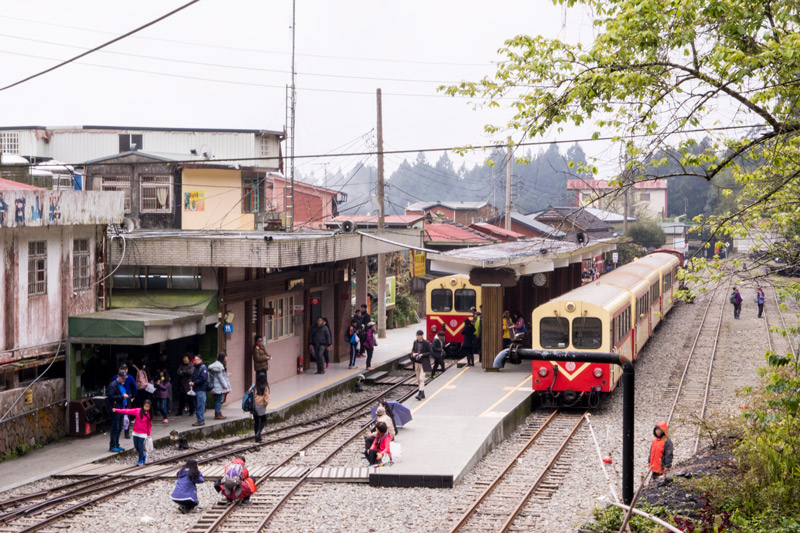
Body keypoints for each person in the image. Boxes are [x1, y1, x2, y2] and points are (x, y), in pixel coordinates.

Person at [112, 400, 153, 466]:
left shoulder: (149, 415)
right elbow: (127, 411)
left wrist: (148, 434)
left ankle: (140, 460)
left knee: (140, 446)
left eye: (148, 407)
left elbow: (149, 425)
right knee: (136, 446)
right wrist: (117, 410)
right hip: (136, 432)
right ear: (143, 405)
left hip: (143, 433)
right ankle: (143, 454)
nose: (146, 408)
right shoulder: (138, 411)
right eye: (145, 406)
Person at [106, 372, 128, 452]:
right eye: (123, 378)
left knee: (119, 427)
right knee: (115, 427)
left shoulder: (121, 384)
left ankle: (117, 444)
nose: (124, 380)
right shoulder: (113, 385)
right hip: (115, 409)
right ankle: (112, 445)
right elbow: (110, 396)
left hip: (121, 408)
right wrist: (122, 396)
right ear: (119, 377)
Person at [208, 353, 232, 420]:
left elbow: (221, 375)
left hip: (217, 384)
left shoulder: (217, 364)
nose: (227, 358)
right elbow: (220, 377)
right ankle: (217, 413)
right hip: (219, 385)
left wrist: (226, 375)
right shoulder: (220, 366)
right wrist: (225, 386)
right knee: (219, 400)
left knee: (218, 399)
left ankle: (218, 413)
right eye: (226, 357)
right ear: (223, 357)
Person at [118, 364, 138, 439]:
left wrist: (133, 397)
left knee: (127, 415)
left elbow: (135, 388)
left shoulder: (130, 377)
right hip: (119, 399)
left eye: (125, 369)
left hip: (127, 398)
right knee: (119, 415)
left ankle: (126, 432)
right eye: (122, 369)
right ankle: (119, 431)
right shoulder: (116, 378)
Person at [411, 330, 432, 400]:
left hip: (424, 363)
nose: (417, 337)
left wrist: (422, 355)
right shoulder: (415, 342)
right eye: (416, 335)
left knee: (421, 378)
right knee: (418, 380)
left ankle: (419, 394)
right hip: (417, 363)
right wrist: (413, 353)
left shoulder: (427, 343)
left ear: (422, 335)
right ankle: (422, 394)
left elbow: (430, 352)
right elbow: (413, 350)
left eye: (418, 335)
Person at [189, 355, 209, 427]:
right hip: (195, 389)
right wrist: (191, 381)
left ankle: (200, 420)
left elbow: (203, 378)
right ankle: (200, 420)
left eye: (197, 359)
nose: (196, 361)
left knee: (200, 405)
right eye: (195, 360)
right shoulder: (195, 368)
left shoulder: (203, 368)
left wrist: (194, 383)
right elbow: (192, 376)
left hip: (201, 389)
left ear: (201, 360)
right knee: (197, 405)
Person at [252, 372, 270, 442]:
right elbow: (266, 398)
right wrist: (265, 404)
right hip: (261, 405)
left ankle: (256, 437)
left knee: (256, 421)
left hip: (254, 405)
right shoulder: (265, 387)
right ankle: (258, 433)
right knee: (263, 420)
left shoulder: (254, 386)